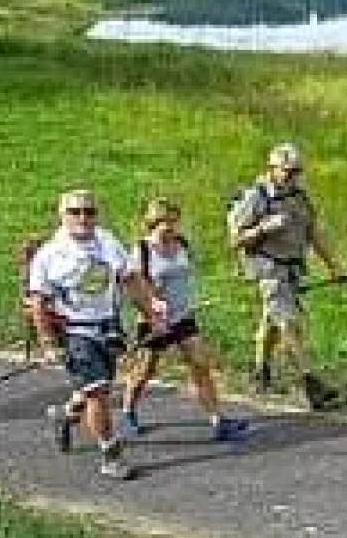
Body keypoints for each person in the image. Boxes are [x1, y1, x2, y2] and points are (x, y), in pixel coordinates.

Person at [26, 189, 167, 481]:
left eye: (89, 212)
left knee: (94, 391)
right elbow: (38, 302)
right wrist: (49, 343)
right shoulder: (50, 255)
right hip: (75, 333)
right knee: (100, 394)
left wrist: (152, 314)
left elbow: (130, 280)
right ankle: (110, 455)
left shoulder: (107, 241)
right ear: (62, 216)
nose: (83, 218)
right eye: (75, 212)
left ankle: (65, 413)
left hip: (108, 328)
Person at [119, 198, 250, 443]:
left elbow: (184, 277)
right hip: (153, 320)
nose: (169, 227)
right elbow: (136, 285)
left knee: (200, 364)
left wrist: (189, 301)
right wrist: (154, 307)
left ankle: (218, 421)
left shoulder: (181, 245)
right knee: (144, 370)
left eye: (173, 221)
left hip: (182, 318)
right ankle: (128, 411)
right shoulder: (142, 250)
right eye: (163, 222)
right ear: (152, 223)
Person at [228, 142, 342, 410]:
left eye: (296, 171)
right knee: (289, 323)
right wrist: (263, 229)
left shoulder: (299, 197)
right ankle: (311, 382)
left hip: (292, 268)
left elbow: (313, 232)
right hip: (268, 269)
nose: (293, 176)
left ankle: (260, 372)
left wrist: (333, 265)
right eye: (287, 171)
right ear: (271, 169)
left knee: (272, 321)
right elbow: (235, 240)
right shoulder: (255, 198)